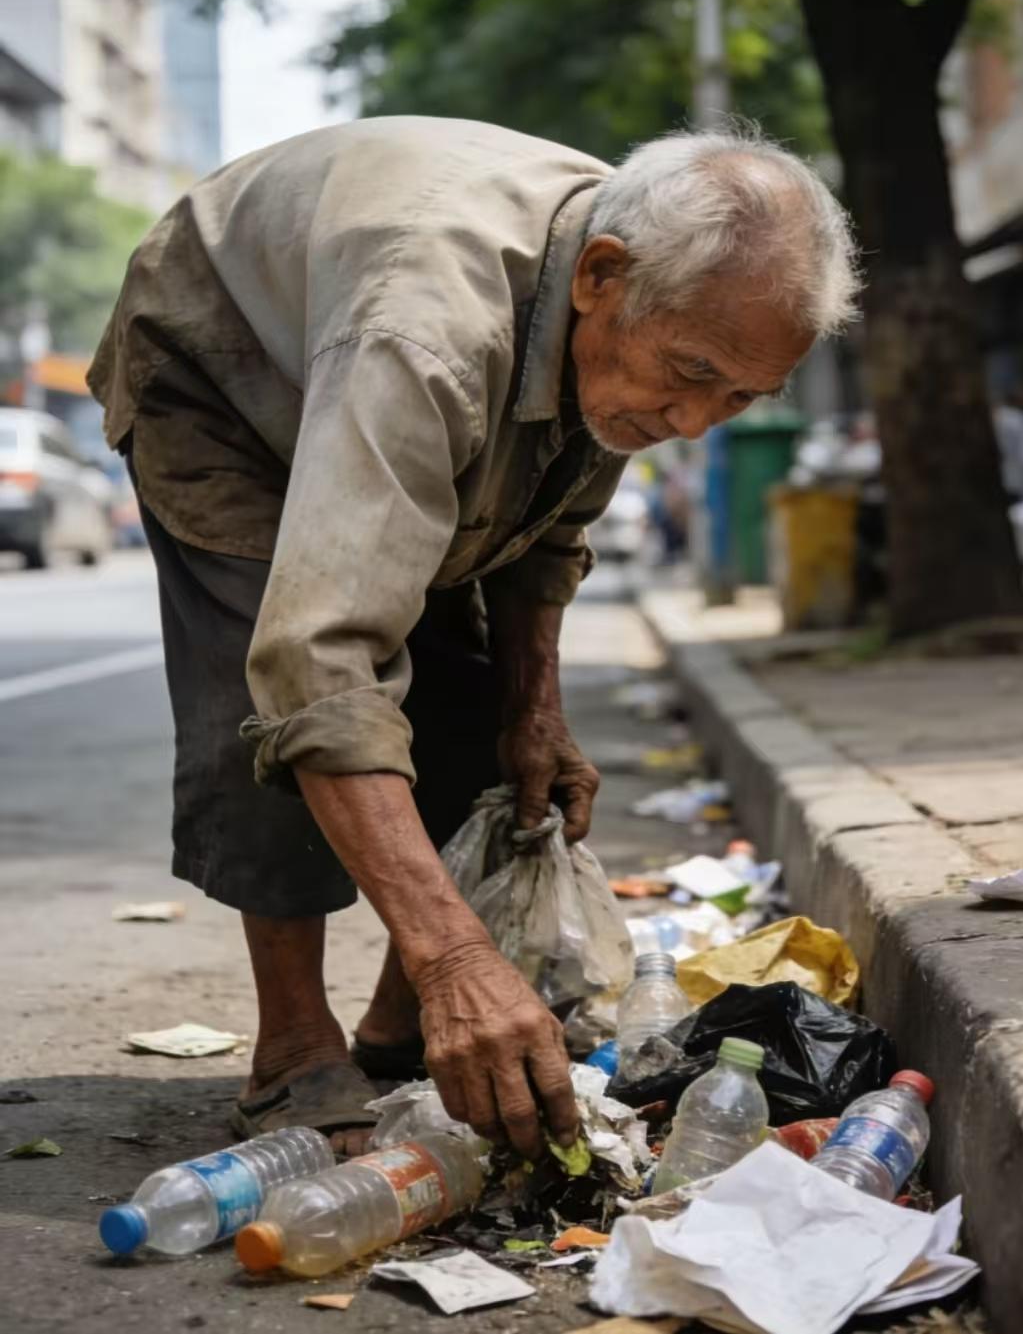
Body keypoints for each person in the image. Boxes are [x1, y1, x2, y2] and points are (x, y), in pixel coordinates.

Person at [89, 117, 859, 1157]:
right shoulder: (427, 337)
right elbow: (318, 658)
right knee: (271, 680)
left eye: (739, 397)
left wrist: (535, 706)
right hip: (222, 368)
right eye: (690, 372)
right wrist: (456, 954)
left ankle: (403, 1025)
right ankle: (294, 1046)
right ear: (599, 277)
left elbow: (551, 523)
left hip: (394, 349)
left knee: (474, 699)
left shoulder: (638, 316)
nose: (692, 422)